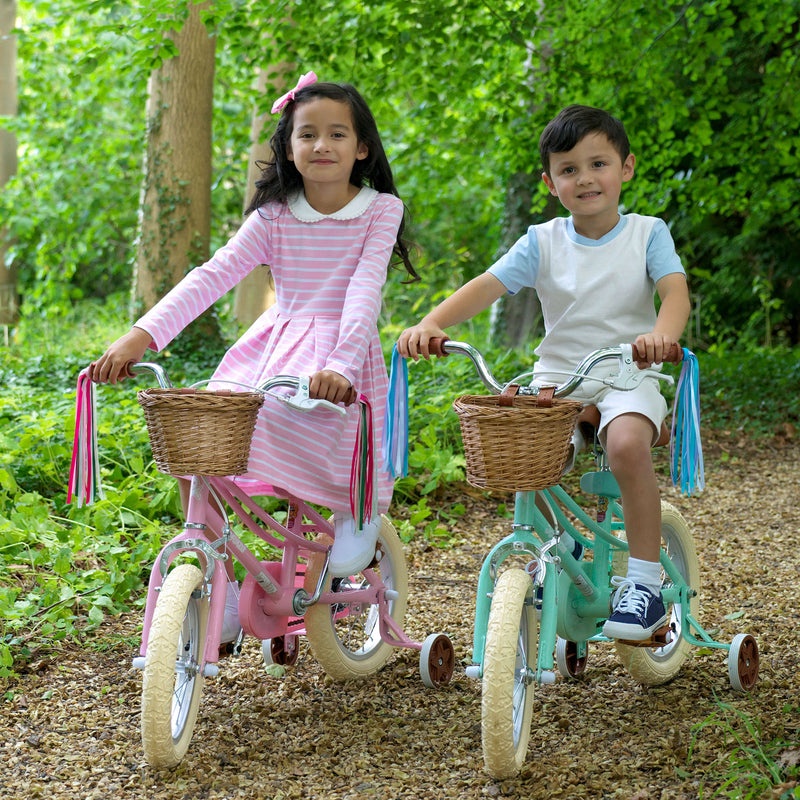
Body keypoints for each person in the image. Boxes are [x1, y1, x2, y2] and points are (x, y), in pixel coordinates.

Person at [89, 72, 418, 641]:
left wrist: (340, 364)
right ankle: (209, 577)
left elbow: (364, 291)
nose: (321, 145)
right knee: (211, 431)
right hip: (273, 350)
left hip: (340, 356)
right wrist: (142, 335)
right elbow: (212, 274)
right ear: (288, 148)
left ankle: (350, 513)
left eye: (337, 134)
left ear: (361, 147)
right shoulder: (275, 216)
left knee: (321, 432)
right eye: (306, 134)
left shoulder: (379, 210)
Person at [398, 104, 691, 641]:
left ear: (626, 168)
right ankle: (565, 546)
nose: (585, 178)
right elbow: (487, 286)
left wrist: (662, 337)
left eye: (598, 164)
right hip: (561, 380)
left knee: (626, 445)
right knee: (528, 458)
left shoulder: (647, 233)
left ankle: (644, 581)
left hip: (631, 372)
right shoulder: (542, 240)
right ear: (550, 182)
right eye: (569, 169)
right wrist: (432, 323)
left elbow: (674, 292)